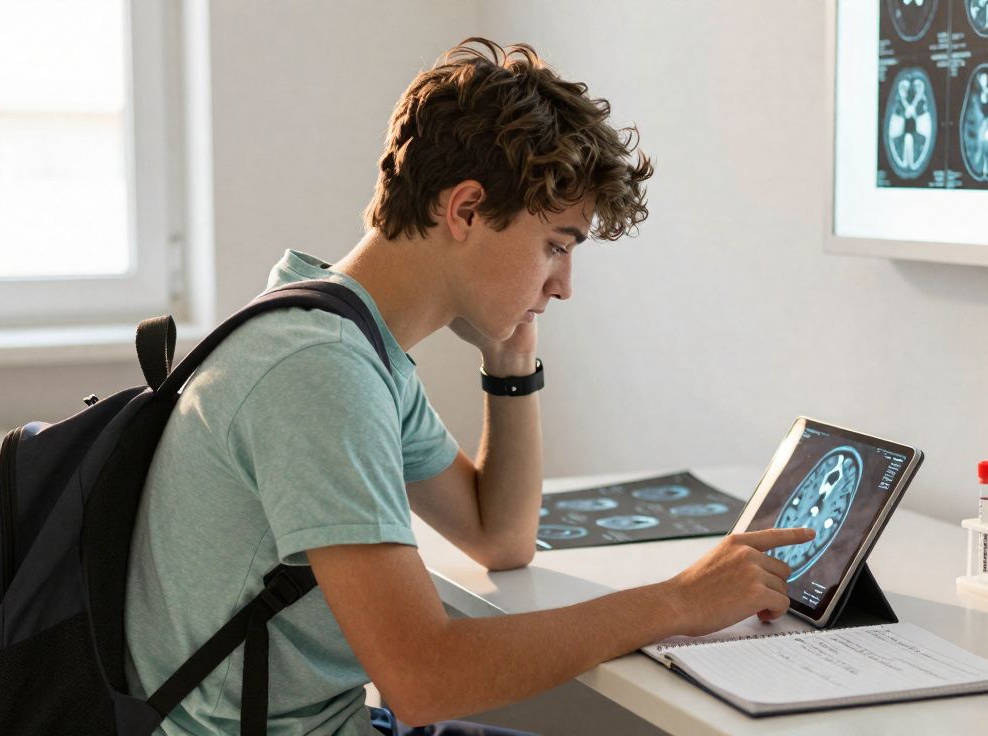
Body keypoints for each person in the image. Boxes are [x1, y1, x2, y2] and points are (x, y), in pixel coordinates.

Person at [124, 37, 813, 735]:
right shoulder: (320, 372)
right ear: (466, 210)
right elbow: (425, 678)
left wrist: (511, 364)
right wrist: (678, 602)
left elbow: (500, 537)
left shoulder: (342, 335)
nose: (564, 285)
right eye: (556, 245)